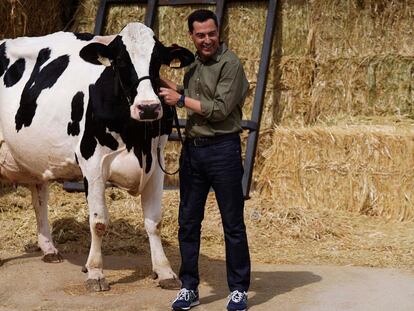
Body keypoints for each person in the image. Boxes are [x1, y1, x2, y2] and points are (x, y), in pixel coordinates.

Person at [159, 9, 251, 311]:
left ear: (218, 32)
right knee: (187, 222)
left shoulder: (231, 64)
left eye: (211, 33)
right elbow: (195, 95)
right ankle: (189, 288)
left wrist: (181, 101)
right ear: (192, 37)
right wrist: (167, 85)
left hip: (223, 150)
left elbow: (220, 109)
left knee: (232, 224)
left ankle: (238, 289)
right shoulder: (194, 65)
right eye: (200, 35)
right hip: (193, 152)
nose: (207, 39)